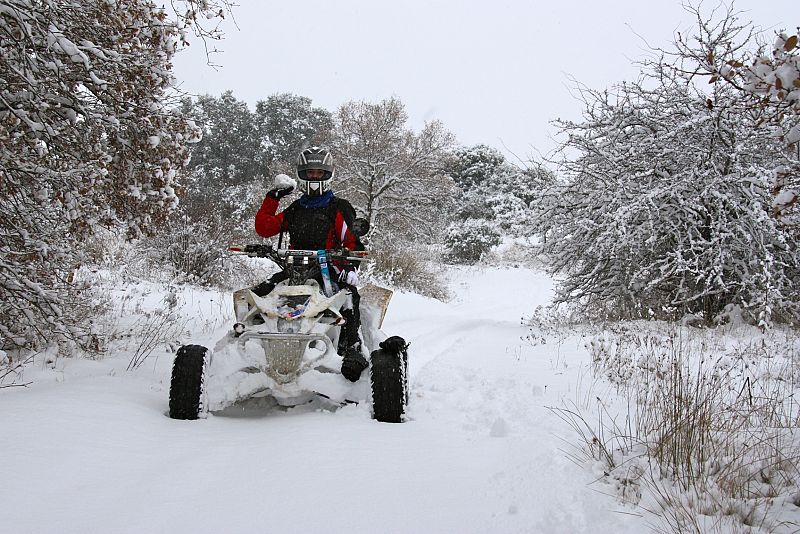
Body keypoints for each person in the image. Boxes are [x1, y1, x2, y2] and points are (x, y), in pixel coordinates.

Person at [253, 146, 368, 382]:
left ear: (328, 174)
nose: (314, 177)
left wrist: (349, 268)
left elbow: (353, 242)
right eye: (309, 173)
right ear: (301, 175)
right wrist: (273, 197)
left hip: (328, 271)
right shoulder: (296, 208)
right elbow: (264, 228)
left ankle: (352, 350)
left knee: (348, 297)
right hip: (294, 271)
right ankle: (248, 344)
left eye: (319, 172)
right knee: (257, 296)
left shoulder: (339, 207)